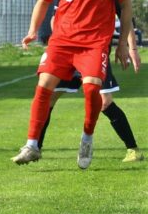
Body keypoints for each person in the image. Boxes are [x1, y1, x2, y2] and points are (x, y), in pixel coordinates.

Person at [11, 0, 133, 169]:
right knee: (43, 86)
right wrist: (33, 30)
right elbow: (44, 1)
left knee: (92, 90)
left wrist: (123, 44)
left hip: (94, 43)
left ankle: (87, 138)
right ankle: (32, 145)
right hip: (62, 42)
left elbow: (125, 4)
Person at [37, 13, 143, 163]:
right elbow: (56, 17)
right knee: (49, 98)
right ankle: (35, 148)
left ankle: (133, 150)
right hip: (69, 51)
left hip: (96, 52)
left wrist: (132, 48)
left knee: (105, 102)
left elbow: (126, 20)